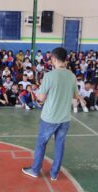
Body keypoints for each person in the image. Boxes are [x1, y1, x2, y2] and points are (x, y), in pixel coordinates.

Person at [22, 47, 78, 181]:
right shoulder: (72, 76)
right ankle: (54, 174)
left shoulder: (49, 76)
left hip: (50, 117)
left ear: (53, 59)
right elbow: (75, 96)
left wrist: (39, 96)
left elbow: (40, 98)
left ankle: (35, 170)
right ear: (65, 59)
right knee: (60, 145)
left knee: (41, 143)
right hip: (65, 118)